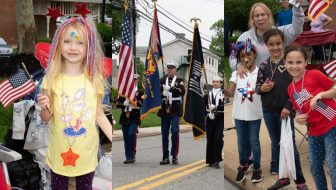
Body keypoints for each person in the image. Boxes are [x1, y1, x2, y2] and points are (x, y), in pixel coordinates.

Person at [37, 17, 113, 190]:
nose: (73, 47)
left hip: (87, 152)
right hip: (59, 153)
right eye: (67, 41)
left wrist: (113, 140)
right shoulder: (50, 80)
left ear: (89, 48)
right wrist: (45, 106)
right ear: (58, 44)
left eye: (80, 43)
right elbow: (46, 118)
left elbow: (99, 115)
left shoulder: (95, 80)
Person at [256, 29, 308, 190]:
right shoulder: (264, 65)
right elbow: (257, 87)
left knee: (289, 145)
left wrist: (288, 106)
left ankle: (300, 181)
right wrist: (262, 88)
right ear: (266, 45)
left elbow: (297, 87)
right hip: (268, 110)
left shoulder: (290, 64)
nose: (275, 47)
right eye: (271, 44)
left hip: (285, 111)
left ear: (283, 43)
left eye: (278, 43)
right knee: (276, 143)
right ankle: (282, 177)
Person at [284, 45, 336, 190]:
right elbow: (299, 109)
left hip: (332, 125)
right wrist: (298, 118)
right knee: (314, 166)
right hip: (313, 131)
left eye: (299, 62)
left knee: (333, 167)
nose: (294, 66)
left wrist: (321, 95)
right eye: (290, 62)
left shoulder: (314, 75)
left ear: (306, 62)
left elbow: (334, 89)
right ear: (285, 63)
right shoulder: (290, 89)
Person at [224, 39, 263, 183]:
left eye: (249, 54)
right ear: (239, 58)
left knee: (254, 141)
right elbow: (230, 93)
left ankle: (257, 168)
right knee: (241, 142)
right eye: (242, 56)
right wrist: (223, 90)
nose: (246, 58)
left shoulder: (261, 72)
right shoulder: (236, 73)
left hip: (255, 114)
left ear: (254, 55)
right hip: (239, 114)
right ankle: (244, 164)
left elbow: (263, 91)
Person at [229, 1, 304, 74]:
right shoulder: (244, 37)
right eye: (257, 16)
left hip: (277, 79)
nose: (260, 18)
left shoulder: (279, 33)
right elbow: (233, 56)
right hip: (252, 81)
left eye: (263, 14)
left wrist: (297, 7)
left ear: (268, 16)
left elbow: (296, 29)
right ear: (253, 19)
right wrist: (238, 66)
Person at [157, 60, 185, 165]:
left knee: (174, 131)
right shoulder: (162, 80)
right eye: (168, 67)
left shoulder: (179, 80)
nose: (169, 69)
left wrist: (171, 89)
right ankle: (165, 157)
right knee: (164, 133)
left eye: (172, 67)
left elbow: (182, 91)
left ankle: (174, 155)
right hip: (165, 108)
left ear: (175, 69)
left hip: (175, 108)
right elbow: (157, 94)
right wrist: (162, 91)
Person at [115, 74, 144, 164]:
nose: (132, 82)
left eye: (134, 80)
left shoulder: (140, 92)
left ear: (136, 81)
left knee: (131, 134)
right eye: (131, 80)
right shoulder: (123, 93)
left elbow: (141, 103)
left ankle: (132, 155)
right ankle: (128, 157)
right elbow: (117, 103)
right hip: (125, 116)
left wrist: (132, 102)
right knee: (126, 137)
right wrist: (124, 103)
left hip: (134, 116)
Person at [204, 76, 224, 169]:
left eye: (217, 82)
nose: (216, 83)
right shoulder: (208, 94)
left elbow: (224, 105)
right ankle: (210, 160)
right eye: (214, 81)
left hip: (219, 119)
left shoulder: (223, 93)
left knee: (217, 139)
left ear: (220, 83)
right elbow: (203, 106)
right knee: (210, 139)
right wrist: (207, 112)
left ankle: (217, 160)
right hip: (210, 118)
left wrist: (216, 107)